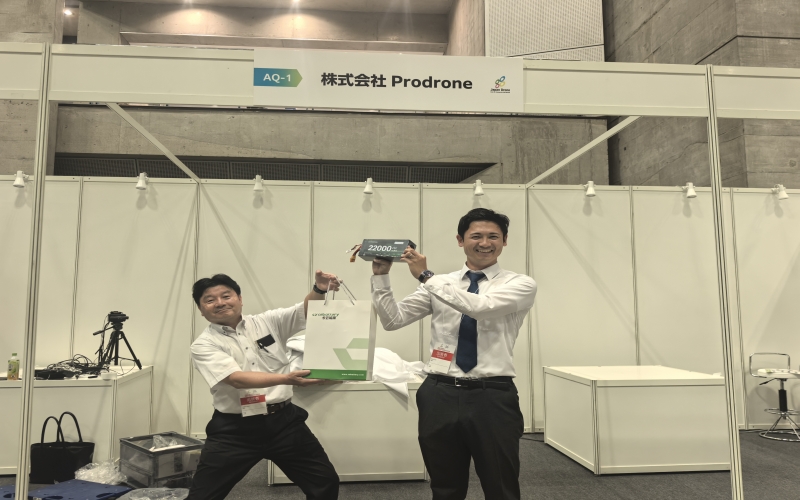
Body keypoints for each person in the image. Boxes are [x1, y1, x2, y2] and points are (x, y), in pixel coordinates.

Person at [368, 208, 537, 500]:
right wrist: (381, 277)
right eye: (476, 236)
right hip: (439, 392)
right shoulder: (441, 284)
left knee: (501, 485)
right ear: (460, 240)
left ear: (505, 241)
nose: (485, 243)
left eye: (493, 236)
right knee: (445, 485)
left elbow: (479, 307)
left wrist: (425, 276)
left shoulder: (519, 284)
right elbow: (393, 320)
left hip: (492, 395)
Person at [188, 272, 340, 500]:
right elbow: (236, 379)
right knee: (203, 496)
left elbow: (305, 312)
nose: (220, 303)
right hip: (234, 430)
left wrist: (318, 290)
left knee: (325, 482)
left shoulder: (268, 322)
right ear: (201, 310)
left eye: (226, 296)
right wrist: (287, 379)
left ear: (240, 299)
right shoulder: (203, 344)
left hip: (284, 423)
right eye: (210, 300)